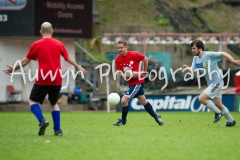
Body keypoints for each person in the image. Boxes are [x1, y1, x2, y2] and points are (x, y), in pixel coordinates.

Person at [3, 22, 87, 135]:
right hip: (57, 79)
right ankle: (57, 130)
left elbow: (25, 61)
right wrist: (78, 66)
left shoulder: (36, 44)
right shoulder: (59, 44)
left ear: (40, 32)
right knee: (53, 103)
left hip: (43, 78)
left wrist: (14, 68)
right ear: (52, 31)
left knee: (32, 100)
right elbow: (68, 57)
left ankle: (42, 120)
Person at [182, 40, 240, 127]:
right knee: (218, 104)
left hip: (217, 82)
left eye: (194, 48)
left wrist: (233, 61)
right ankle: (231, 121)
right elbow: (192, 71)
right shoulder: (195, 58)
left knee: (201, 98)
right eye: (192, 48)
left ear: (200, 48)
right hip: (212, 84)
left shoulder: (208, 54)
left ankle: (217, 113)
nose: (192, 50)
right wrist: (187, 69)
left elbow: (223, 53)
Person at [113, 39, 164, 126]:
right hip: (131, 83)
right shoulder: (118, 59)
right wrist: (131, 75)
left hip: (138, 82)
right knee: (143, 101)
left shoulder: (133, 54)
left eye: (121, 47)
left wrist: (144, 71)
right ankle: (156, 116)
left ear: (126, 47)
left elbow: (145, 59)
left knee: (124, 100)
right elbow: (120, 73)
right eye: (118, 48)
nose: (120, 49)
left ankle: (123, 120)